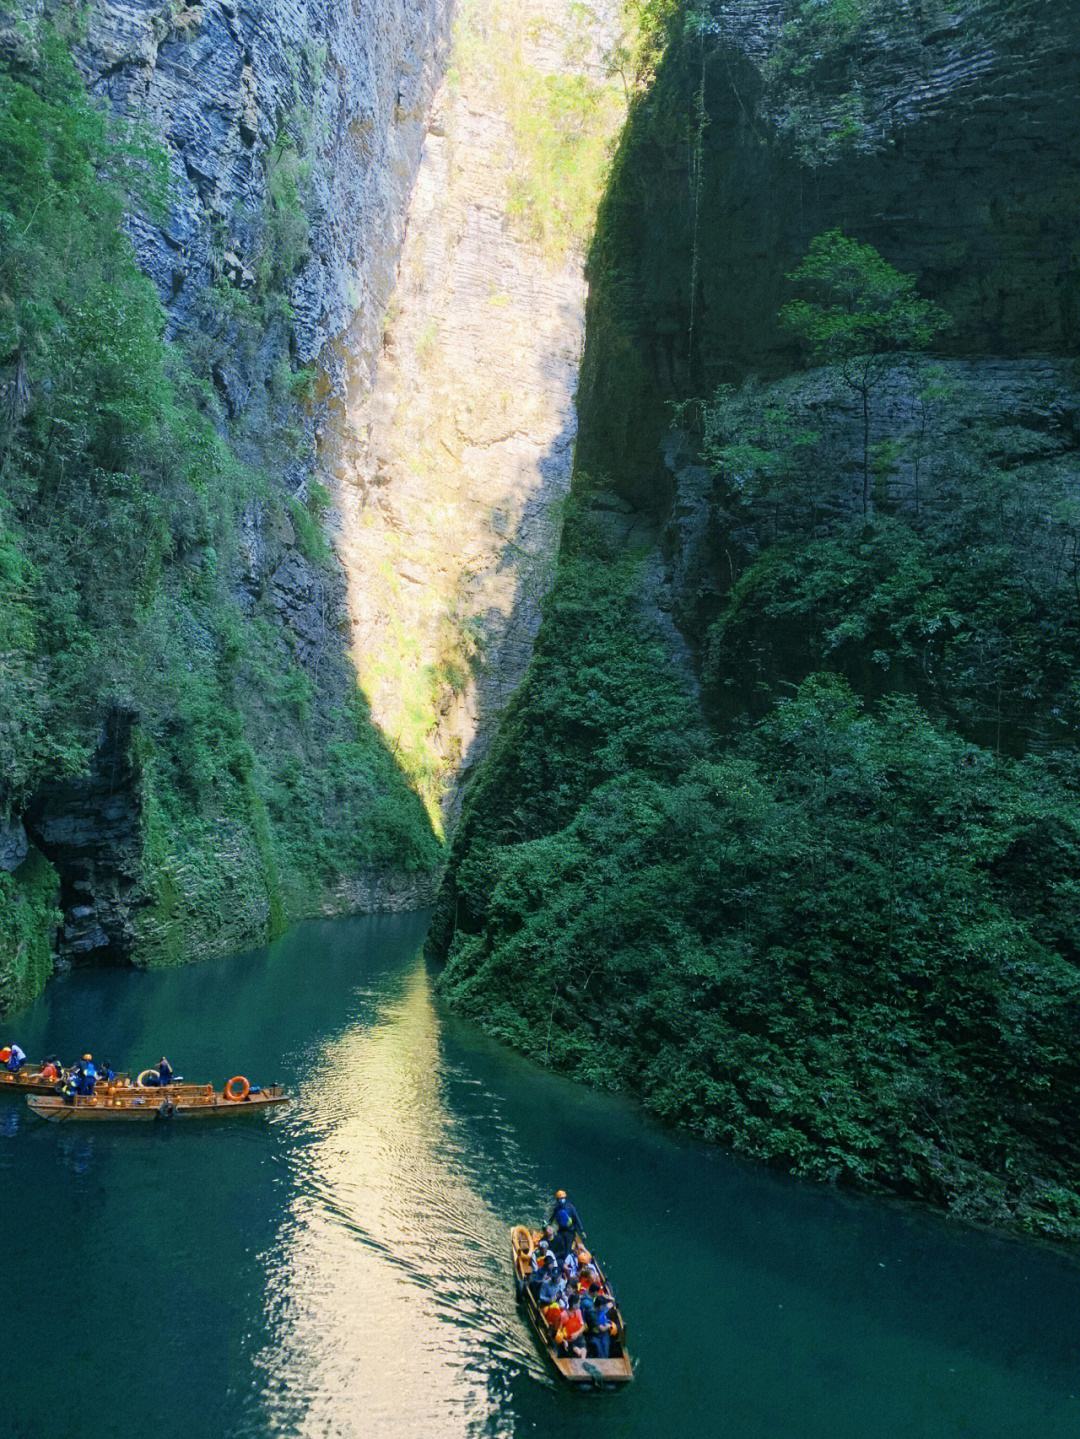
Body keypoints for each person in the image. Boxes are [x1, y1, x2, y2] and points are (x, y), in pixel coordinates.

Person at [548, 1189, 582, 1259]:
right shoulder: (557, 1208)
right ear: (557, 1200)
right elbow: (553, 1217)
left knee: (567, 1248)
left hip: (570, 1231)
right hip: (561, 1230)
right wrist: (548, 1223)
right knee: (559, 1245)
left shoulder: (571, 1207)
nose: (561, 1200)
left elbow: (577, 1218)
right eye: (559, 1199)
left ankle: (566, 1262)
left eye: (562, 1198)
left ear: (565, 1198)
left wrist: (582, 1230)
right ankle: (558, 1257)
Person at [556, 1294, 588, 1359]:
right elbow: (558, 1331)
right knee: (578, 1352)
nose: (579, 1304)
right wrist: (564, 1341)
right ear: (574, 1305)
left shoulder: (578, 1312)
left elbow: (583, 1326)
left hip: (579, 1338)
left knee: (583, 1351)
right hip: (569, 1340)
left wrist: (577, 1333)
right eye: (578, 1303)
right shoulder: (563, 1315)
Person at [589, 1295, 619, 1359]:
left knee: (606, 1349)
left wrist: (609, 1298)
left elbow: (612, 1303)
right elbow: (601, 1328)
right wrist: (609, 1326)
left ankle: (606, 1358)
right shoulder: (593, 1315)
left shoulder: (602, 1309)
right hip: (595, 1335)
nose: (605, 1306)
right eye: (603, 1305)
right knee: (600, 1352)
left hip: (604, 1333)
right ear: (599, 1306)